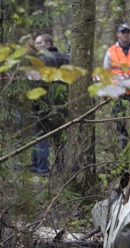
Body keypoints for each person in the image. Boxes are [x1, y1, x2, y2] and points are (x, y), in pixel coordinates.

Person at [30, 34, 70, 175]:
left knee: (41, 137)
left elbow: (34, 84)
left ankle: (41, 169)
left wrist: (34, 106)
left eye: (38, 43)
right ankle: (61, 169)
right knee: (60, 138)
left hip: (43, 105)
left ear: (47, 44)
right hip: (62, 105)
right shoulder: (67, 59)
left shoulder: (39, 61)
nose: (36, 46)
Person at [103, 23, 130, 149]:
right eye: (123, 32)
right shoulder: (111, 52)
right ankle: (123, 144)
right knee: (119, 119)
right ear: (118, 34)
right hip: (118, 90)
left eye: (128, 32)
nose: (126, 34)